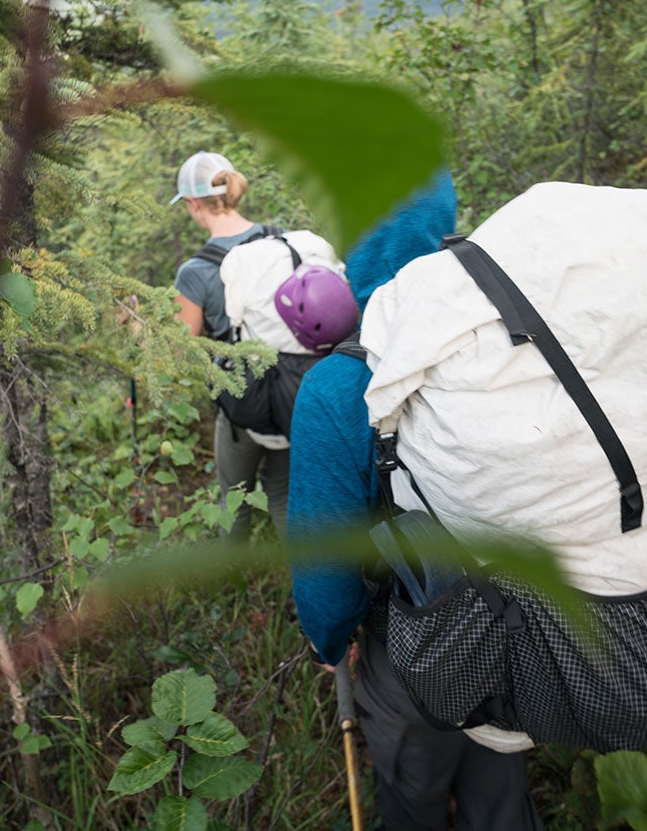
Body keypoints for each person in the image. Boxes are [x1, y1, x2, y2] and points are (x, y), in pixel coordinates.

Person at [287, 174, 542, 830]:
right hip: (522, 616)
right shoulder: (513, 333)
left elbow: (327, 564)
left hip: (409, 638)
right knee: (501, 792)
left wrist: (330, 639)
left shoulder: (338, 384)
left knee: (412, 791)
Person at [170, 149, 290, 540]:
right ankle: (307, 590)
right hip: (292, 389)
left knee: (233, 499)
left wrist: (137, 323)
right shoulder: (281, 240)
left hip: (241, 405)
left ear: (193, 204)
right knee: (285, 495)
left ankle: (231, 582)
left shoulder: (196, 272)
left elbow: (178, 350)